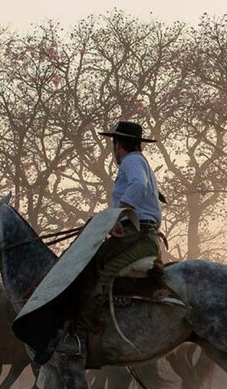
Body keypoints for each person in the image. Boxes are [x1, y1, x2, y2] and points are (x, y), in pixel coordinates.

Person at [66, 121, 164, 356]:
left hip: (137, 234)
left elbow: (138, 185)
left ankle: (82, 335)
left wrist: (119, 215)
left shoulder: (131, 161)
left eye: (114, 145)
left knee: (94, 270)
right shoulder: (141, 162)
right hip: (142, 231)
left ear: (118, 145)